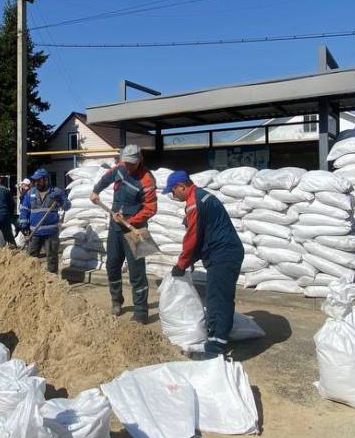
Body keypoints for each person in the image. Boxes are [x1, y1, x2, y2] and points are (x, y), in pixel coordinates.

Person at [165, 171, 245, 360]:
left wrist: (182, 263)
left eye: (173, 191)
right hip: (223, 252)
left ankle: (216, 349)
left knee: (218, 300)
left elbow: (193, 237)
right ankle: (219, 336)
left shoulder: (195, 203)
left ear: (182, 186)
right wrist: (190, 260)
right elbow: (204, 234)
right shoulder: (201, 197)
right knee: (218, 298)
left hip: (223, 255)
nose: (173, 195)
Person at [90, 144, 158, 322]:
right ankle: (116, 301)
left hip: (136, 230)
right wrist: (96, 190)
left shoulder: (147, 180)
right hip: (115, 227)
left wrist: (131, 220)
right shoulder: (120, 168)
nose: (128, 166)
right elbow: (106, 178)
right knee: (112, 265)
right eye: (126, 163)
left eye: (132, 164)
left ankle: (141, 312)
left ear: (140, 160)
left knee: (137, 272)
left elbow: (151, 208)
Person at [18, 168, 70, 274]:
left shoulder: (56, 192)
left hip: (50, 233)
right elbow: (24, 209)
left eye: (39, 180)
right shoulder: (30, 193)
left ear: (46, 179)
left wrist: (60, 201)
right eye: (35, 180)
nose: (36, 182)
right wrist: (23, 224)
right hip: (34, 232)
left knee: (52, 258)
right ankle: (32, 279)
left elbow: (67, 206)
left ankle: (52, 280)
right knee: (31, 258)